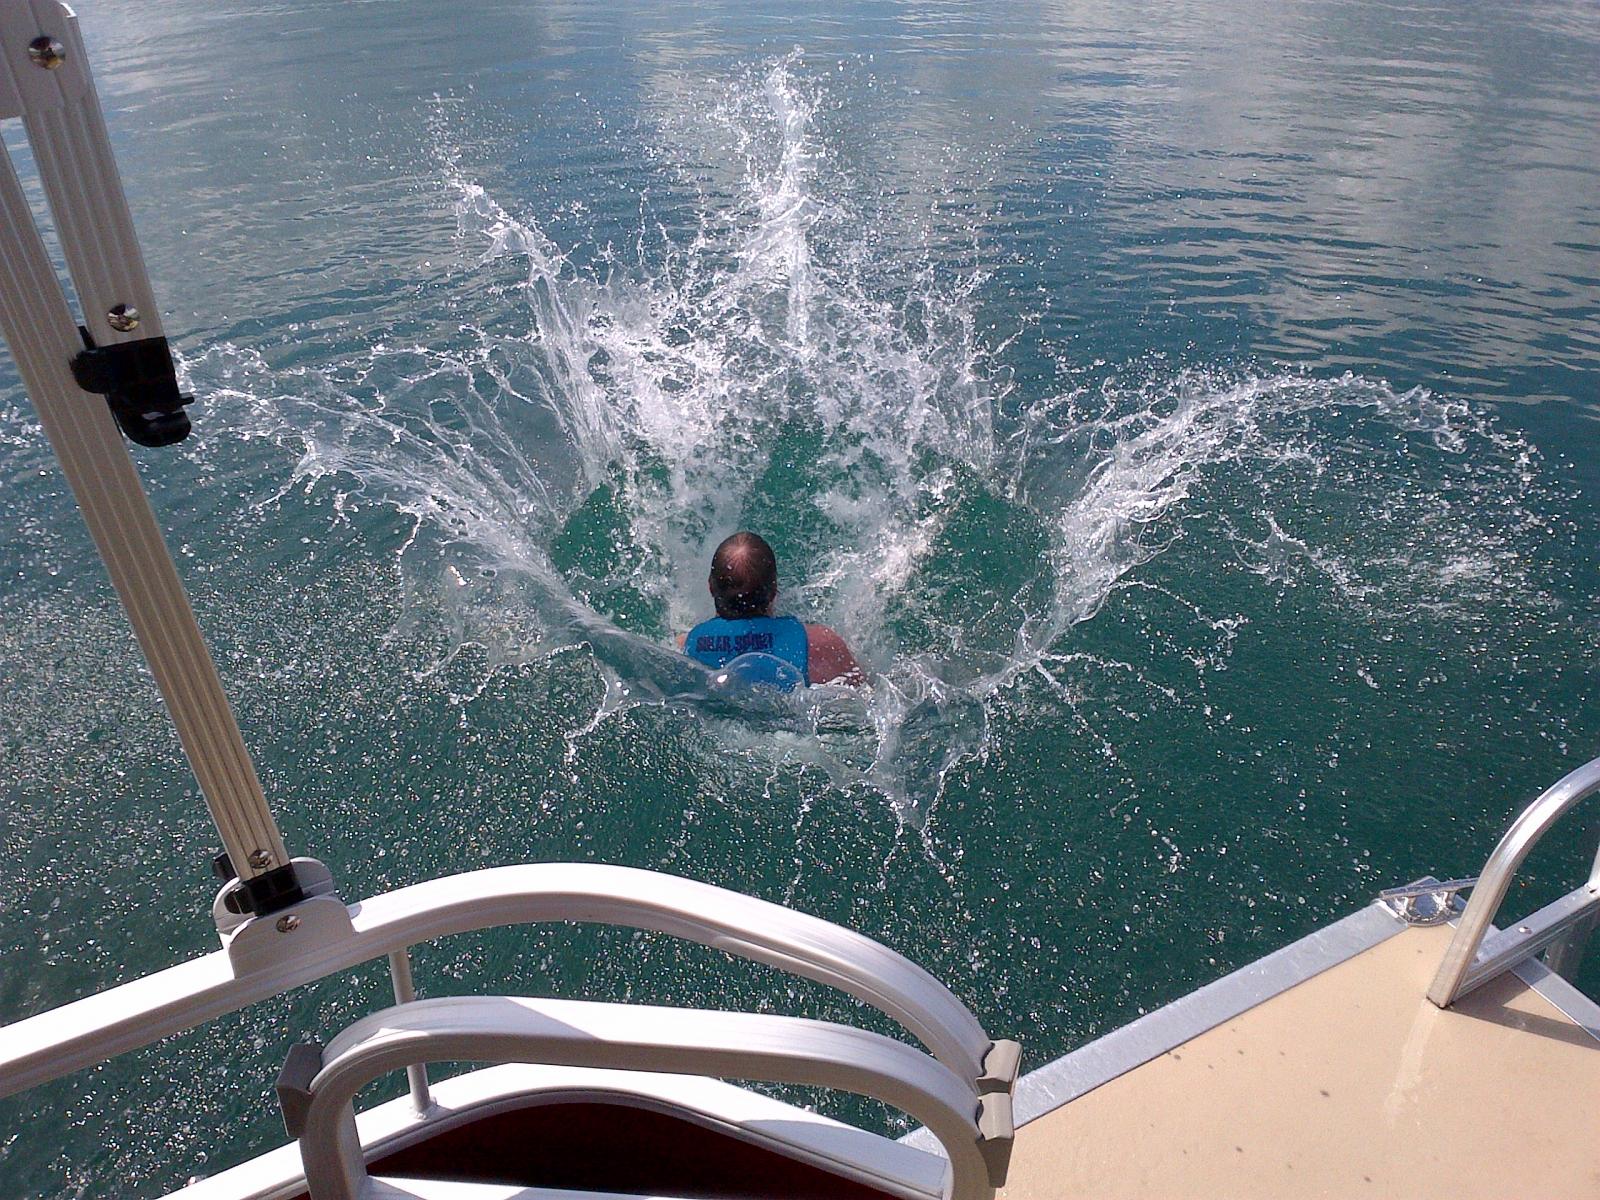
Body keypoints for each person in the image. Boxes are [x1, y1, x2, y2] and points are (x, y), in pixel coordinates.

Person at [682, 531, 864, 689]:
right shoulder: (819, 645)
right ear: (774, 590)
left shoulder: (686, 649)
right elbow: (865, 701)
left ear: (711, 587)